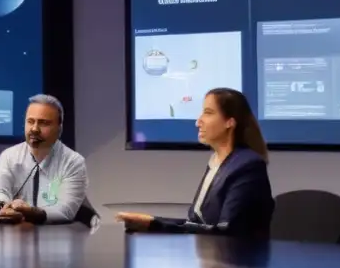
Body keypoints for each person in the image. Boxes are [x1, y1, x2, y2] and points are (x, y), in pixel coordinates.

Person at [116, 87, 274, 238]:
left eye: (208, 113)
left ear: (230, 122)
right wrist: (151, 222)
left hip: (237, 262)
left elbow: (227, 232)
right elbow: (196, 224)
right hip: (210, 258)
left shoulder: (247, 166)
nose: (198, 122)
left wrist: (156, 225)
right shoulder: (216, 163)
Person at [0, 94, 88, 225]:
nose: (34, 129)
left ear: (59, 129)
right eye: (30, 121)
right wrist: (3, 210)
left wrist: (33, 213)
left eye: (44, 123)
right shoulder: (9, 156)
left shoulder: (73, 162)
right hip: (15, 238)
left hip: (54, 239)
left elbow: (66, 210)